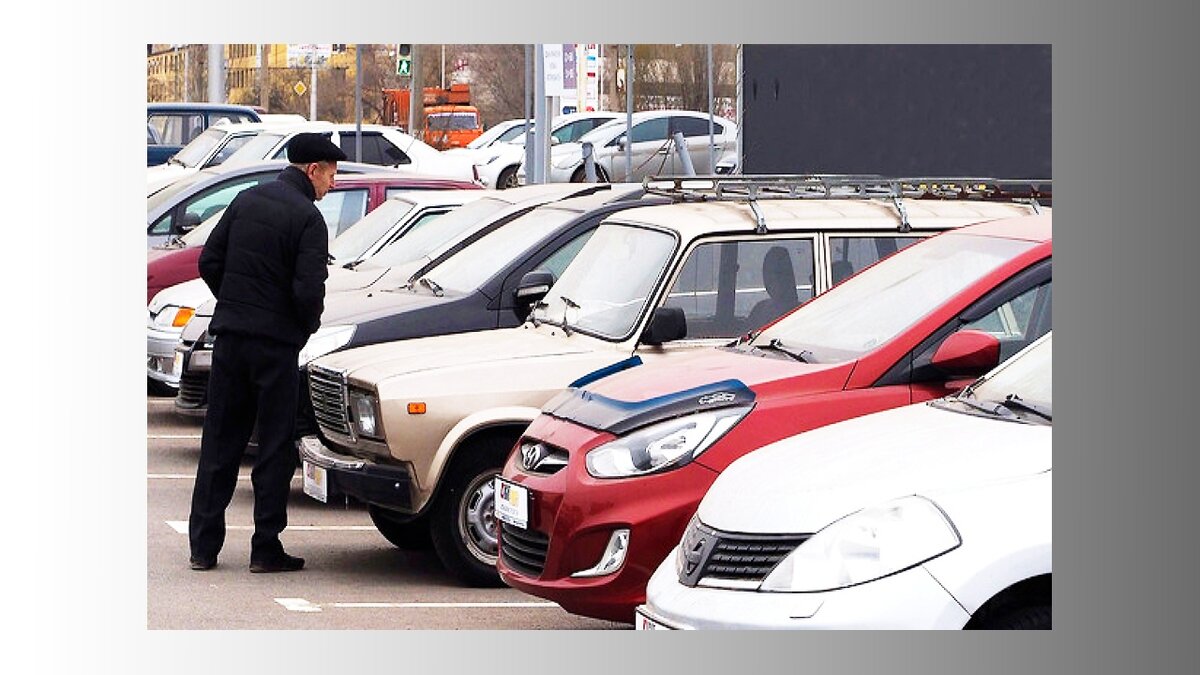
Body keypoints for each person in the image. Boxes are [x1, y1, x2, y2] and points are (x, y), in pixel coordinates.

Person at [188, 133, 346, 573]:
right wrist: (300, 329)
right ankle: (265, 548)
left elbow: (209, 263)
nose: (332, 184)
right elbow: (307, 291)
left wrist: (236, 304)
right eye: (331, 175)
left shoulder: (246, 200)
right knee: (274, 448)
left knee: (219, 442)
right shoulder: (310, 221)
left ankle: (203, 547)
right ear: (312, 170)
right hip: (275, 349)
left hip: (232, 341)